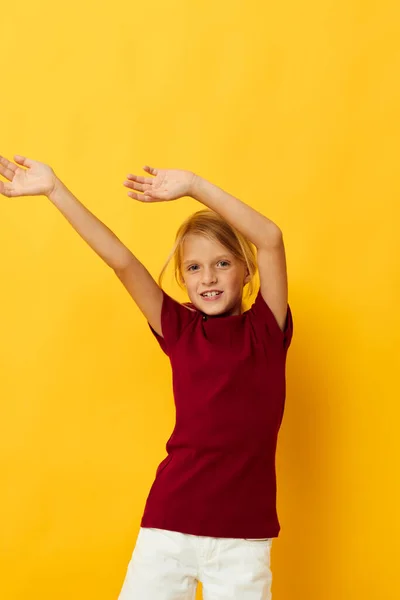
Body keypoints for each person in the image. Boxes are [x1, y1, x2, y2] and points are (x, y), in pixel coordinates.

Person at [0, 154, 293, 599]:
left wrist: (194, 184)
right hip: (169, 528)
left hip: (242, 542)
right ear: (182, 278)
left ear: (246, 270)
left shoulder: (266, 330)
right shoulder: (179, 329)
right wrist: (55, 190)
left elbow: (270, 238)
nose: (208, 278)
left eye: (222, 264)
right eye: (194, 268)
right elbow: (120, 261)